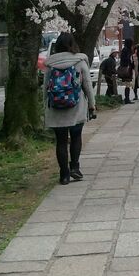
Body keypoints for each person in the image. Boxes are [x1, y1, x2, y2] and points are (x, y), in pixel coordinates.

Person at [44, 31, 96, 185]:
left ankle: (64, 174)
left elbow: (45, 88)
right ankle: (74, 167)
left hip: (55, 108)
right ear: (72, 44)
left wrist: (44, 107)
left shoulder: (50, 64)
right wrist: (92, 105)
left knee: (60, 141)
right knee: (76, 137)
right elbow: (87, 85)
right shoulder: (79, 61)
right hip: (76, 106)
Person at [119, 38, 135, 104]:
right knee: (128, 84)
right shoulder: (127, 50)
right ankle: (127, 99)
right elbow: (128, 59)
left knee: (127, 84)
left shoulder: (124, 50)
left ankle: (127, 98)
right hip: (127, 69)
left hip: (125, 68)